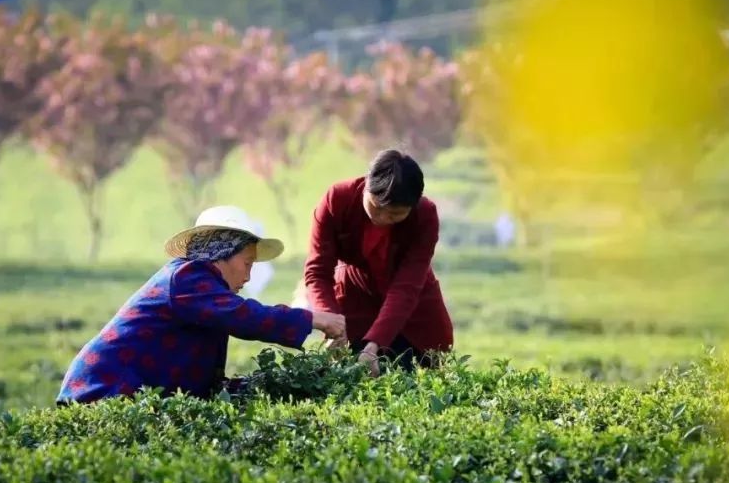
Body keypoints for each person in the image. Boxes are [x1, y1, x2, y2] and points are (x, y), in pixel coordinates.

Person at [57, 205, 345, 404]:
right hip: (103, 390)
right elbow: (246, 317)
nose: (248, 275)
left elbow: (203, 380)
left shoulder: (207, 296)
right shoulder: (187, 277)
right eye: (247, 264)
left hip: (125, 391)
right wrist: (313, 319)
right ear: (222, 253)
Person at [303, 149, 454, 376]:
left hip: (413, 312)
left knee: (426, 382)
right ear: (366, 186)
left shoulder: (425, 216)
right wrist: (331, 323)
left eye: (394, 215)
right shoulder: (337, 200)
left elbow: (406, 287)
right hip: (356, 304)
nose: (382, 219)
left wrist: (375, 343)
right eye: (375, 207)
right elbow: (318, 272)